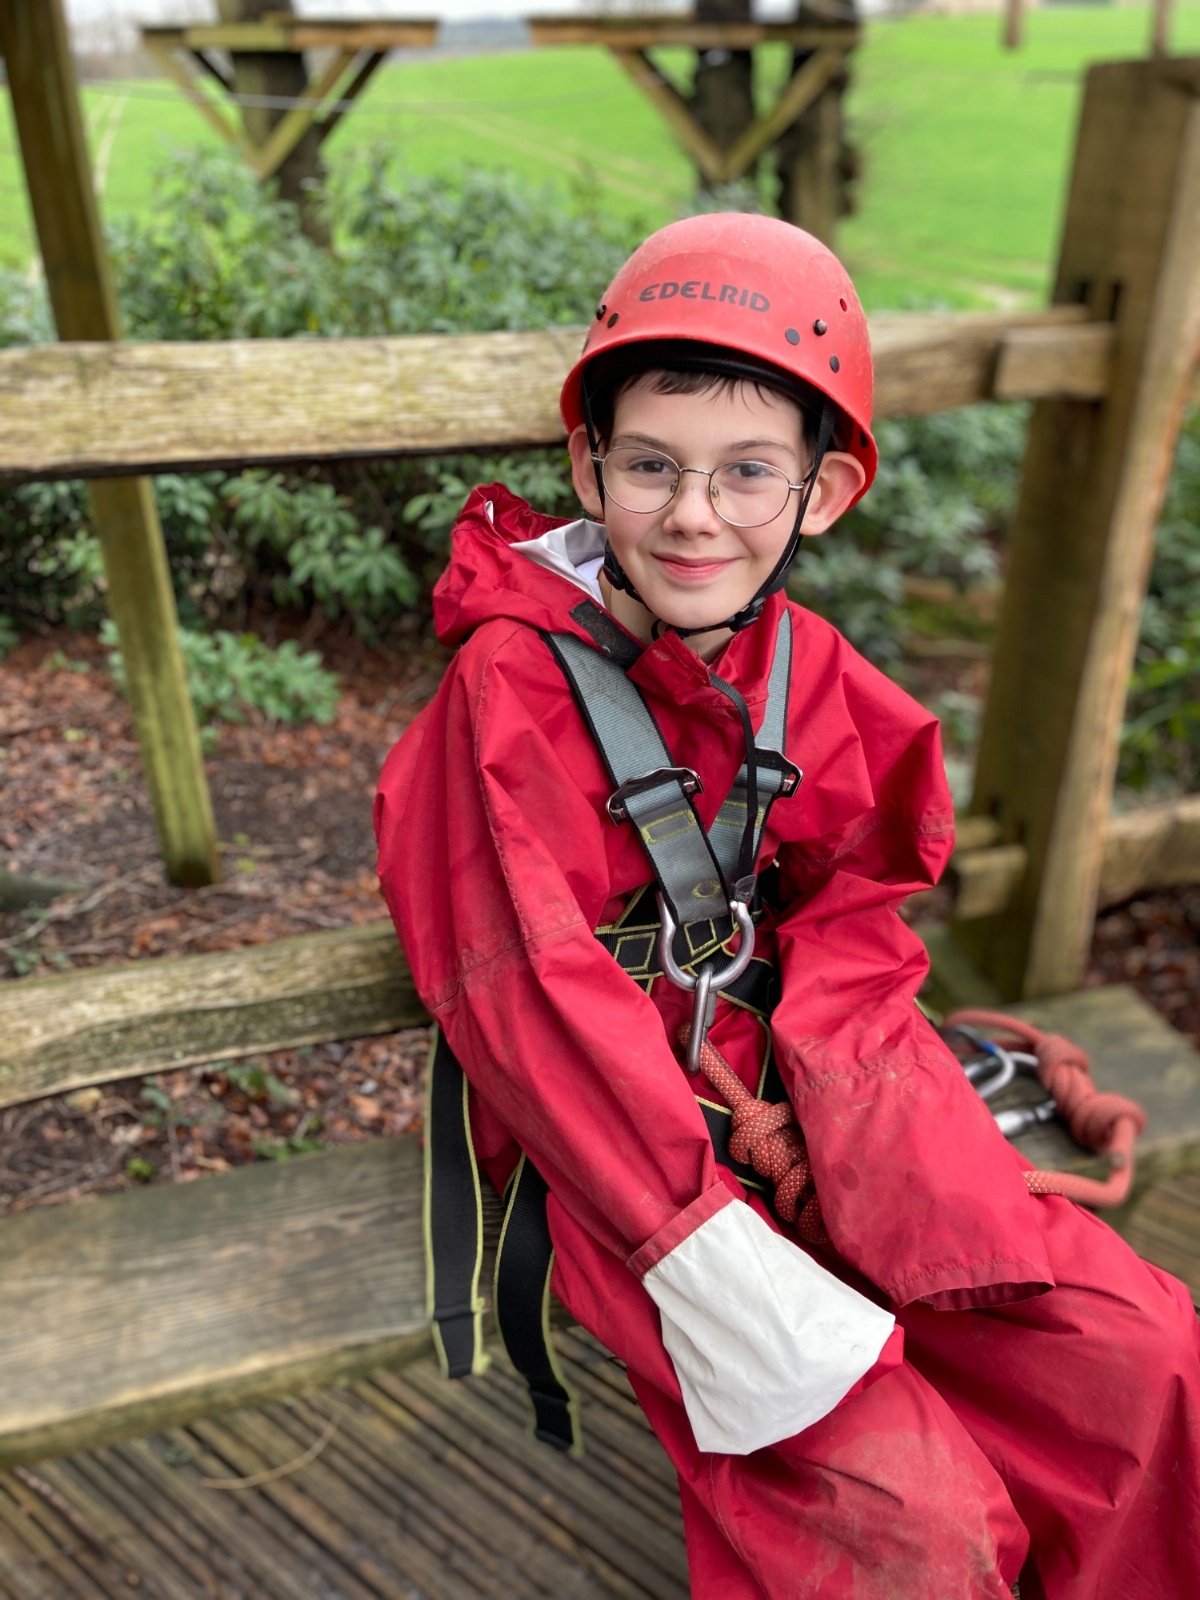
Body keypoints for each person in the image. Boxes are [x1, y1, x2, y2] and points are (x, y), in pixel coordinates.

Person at [375, 214, 1200, 1600]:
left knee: (1141, 1363)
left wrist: (877, 1125)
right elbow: (528, 1002)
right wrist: (701, 1242)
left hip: (815, 1088)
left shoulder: (801, 671)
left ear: (825, 492)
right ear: (589, 466)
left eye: (748, 471)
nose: (694, 514)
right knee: (906, 1528)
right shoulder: (506, 699)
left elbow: (859, 907)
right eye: (651, 465)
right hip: (627, 1160)